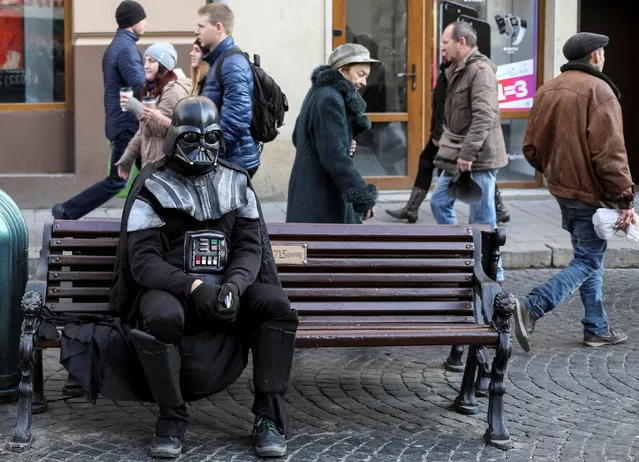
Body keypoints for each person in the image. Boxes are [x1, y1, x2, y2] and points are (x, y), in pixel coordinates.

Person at [109, 96, 298, 458]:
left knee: (276, 305)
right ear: (174, 137)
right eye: (192, 138)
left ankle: (269, 418)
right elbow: (143, 261)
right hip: (173, 291)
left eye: (211, 138)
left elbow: (249, 247)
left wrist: (235, 286)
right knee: (161, 316)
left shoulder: (237, 181)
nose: (202, 147)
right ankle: (171, 418)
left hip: (229, 288)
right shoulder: (152, 186)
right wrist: (193, 287)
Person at [513, 32, 635, 351]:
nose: (604, 57)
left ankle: (596, 326)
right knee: (588, 260)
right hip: (590, 195)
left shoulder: (548, 90)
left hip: (563, 191)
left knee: (589, 256)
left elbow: (530, 149)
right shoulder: (600, 90)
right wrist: (626, 199)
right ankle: (533, 306)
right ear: (595, 56)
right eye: (603, 53)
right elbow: (611, 154)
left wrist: (555, 173)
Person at [51, 0, 147, 219]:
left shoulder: (118, 45)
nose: (146, 23)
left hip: (122, 123)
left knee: (154, 175)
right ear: (133, 22)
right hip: (128, 126)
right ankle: (67, 211)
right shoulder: (126, 50)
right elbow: (140, 84)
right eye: (143, 19)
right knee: (118, 180)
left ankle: (152, 220)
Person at [429, 21, 508, 281]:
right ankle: (461, 257)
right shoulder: (458, 69)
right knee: (440, 201)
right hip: (459, 154)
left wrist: (467, 153)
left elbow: (485, 116)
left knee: (483, 219)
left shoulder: (480, 70)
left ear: (461, 42)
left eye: (445, 42)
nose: (441, 48)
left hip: (479, 159)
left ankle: (493, 276)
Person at [286, 43, 379, 224]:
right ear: (342, 70)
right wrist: (363, 196)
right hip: (320, 195)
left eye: (366, 76)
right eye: (360, 75)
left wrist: (344, 142)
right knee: (325, 249)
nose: (364, 82)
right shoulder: (330, 98)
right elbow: (335, 158)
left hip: (309, 190)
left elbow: (299, 137)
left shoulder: (318, 91)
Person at [195, 3, 260, 177]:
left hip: (233, 161)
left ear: (218, 28)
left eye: (201, 26)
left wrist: (212, 151)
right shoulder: (219, 60)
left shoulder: (231, 62)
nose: (197, 31)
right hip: (227, 158)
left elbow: (237, 117)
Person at [386, 56, 451, 223]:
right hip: (444, 131)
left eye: (446, 44)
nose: (443, 49)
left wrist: (439, 132)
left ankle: (412, 208)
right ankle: (411, 208)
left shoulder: (457, 71)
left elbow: (449, 106)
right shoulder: (447, 68)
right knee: (427, 162)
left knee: (475, 169)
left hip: (450, 133)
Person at [115, 43, 191, 178]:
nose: (145, 65)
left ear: (164, 65)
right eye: (145, 60)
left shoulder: (173, 91)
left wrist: (136, 108)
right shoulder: (155, 89)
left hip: (166, 169)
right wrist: (128, 157)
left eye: (151, 61)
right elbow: (145, 130)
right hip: (153, 165)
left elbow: (162, 129)